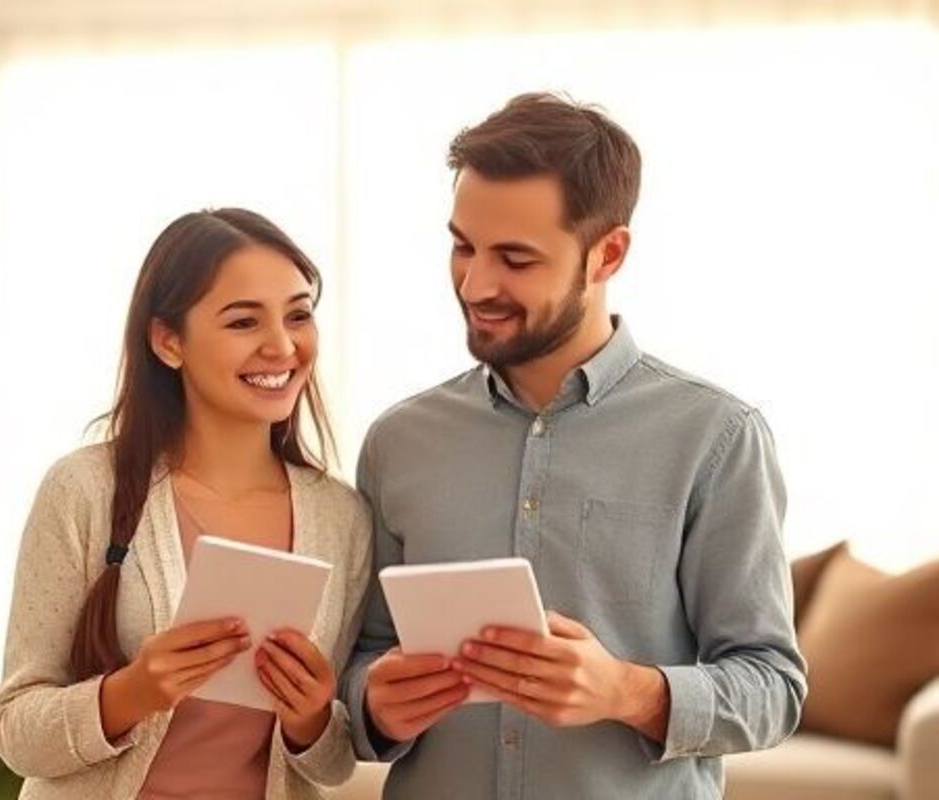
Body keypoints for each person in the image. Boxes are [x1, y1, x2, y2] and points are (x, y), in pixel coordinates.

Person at [341, 93, 807, 798]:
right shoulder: (399, 441)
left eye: (515, 258)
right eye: (463, 246)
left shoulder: (716, 437)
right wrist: (375, 701)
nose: (475, 283)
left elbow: (773, 686)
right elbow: (362, 661)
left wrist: (628, 690)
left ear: (607, 254)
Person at [0, 208, 371, 800]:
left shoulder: (340, 517)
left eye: (298, 315)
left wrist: (312, 720)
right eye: (243, 322)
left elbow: (335, 762)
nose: (282, 345)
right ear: (169, 342)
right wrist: (131, 693)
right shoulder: (84, 489)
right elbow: (14, 730)